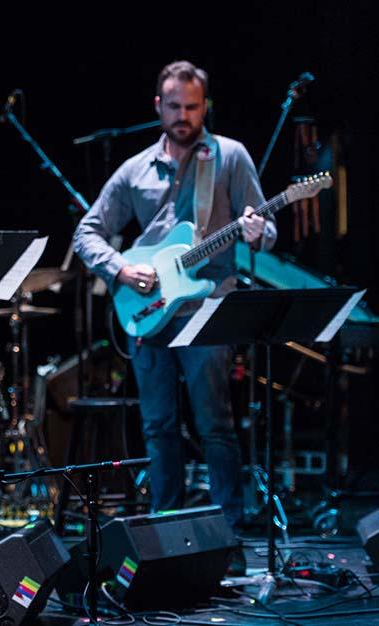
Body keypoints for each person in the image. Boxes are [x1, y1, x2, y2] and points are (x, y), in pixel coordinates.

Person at [72, 61, 277, 533]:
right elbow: (88, 232)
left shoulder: (230, 157)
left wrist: (255, 228)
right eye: (175, 107)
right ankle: (166, 530)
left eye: (193, 106)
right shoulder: (135, 170)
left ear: (206, 107)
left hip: (207, 309)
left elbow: (267, 234)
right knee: (159, 427)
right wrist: (121, 268)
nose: (184, 115)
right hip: (148, 311)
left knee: (215, 424)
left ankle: (227, 529)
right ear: (158, 107)